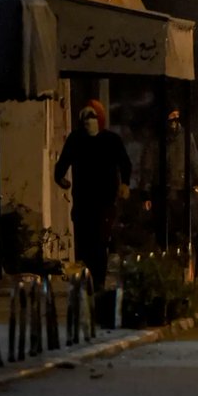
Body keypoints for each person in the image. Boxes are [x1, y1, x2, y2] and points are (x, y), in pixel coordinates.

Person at [53, 100, 132, 289]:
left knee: (100, 242)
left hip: (105, 202)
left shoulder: (111, 140)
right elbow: (62, 164)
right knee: (84, 244)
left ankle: (98, 283)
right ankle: (86, 282)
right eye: (84, 118)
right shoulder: (76, 139)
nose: (88, 121)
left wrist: (125, 184)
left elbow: (125, 163)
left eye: (92, 117)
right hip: (83, 201)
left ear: (100, 119)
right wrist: (60, 179)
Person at [140, 108, 198, 248]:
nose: (175, 121)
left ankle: (180, 257)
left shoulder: (186, 136)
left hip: (180, 187)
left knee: (180, 226)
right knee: (162, 227)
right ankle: (165, 257)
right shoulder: (156, 139)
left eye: (177, 116)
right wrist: (145, 191)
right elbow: (148, 166)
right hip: (161, 188)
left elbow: (194, 158)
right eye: (171, 116)